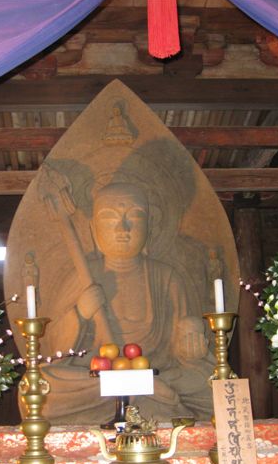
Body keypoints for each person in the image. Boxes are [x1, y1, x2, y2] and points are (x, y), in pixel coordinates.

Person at [40, 182, 215, 424]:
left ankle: (144, 390)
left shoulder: (166, 278)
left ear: (149, 228)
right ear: (93, 229)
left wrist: (190, 347)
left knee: (212, 382)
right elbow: (55, 352)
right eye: (109, 218)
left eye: (134, 217)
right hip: (96, 382)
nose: (123, 228)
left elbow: (182, 353)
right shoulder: (82, 276)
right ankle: (148, 395)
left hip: (157, 373)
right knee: (41, 384)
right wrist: (80, 313)